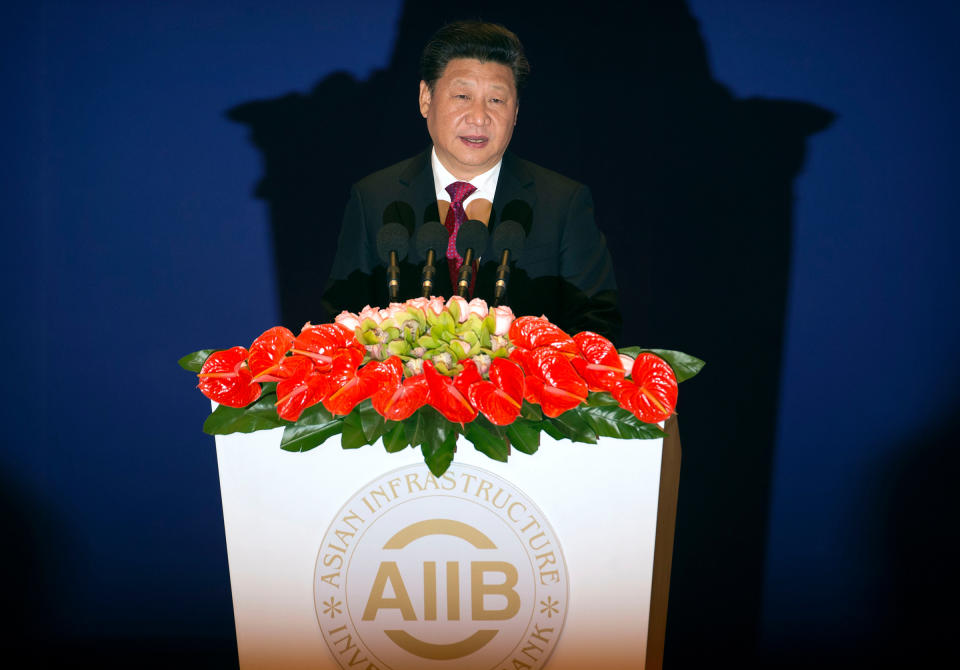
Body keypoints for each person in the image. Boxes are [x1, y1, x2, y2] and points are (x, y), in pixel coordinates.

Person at [322, 20, 622, 342]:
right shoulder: (374, 199)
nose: (479, 117)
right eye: (463, 95)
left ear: (516, 111)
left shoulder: (562, 203)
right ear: (426, 98)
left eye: (496, 100)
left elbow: (596, 328)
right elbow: (342, 324)